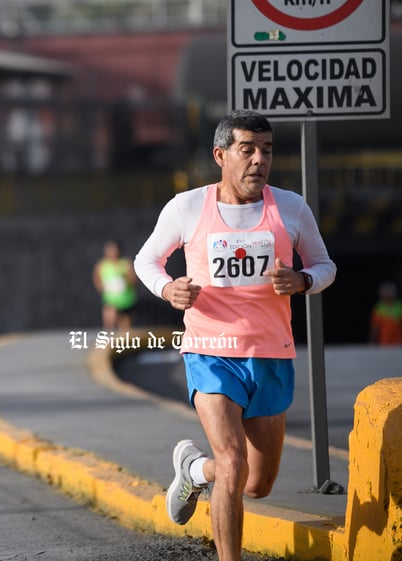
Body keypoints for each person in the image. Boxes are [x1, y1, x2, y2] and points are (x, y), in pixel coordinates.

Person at [133, 110, 336, 561]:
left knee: (256, 484)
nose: (258, 161)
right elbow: (145, 261)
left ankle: (192, 469)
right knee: (232, 461)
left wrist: (302, 281)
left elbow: (326, 266)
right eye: (247, 150)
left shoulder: (290, 207)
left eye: (266, 151)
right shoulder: (187, 207)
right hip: (210, 350)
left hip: (270, 353)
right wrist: (169, 288)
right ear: (221, 155)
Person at [92, 240, 137, 332]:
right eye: (109, 250)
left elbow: (133, 280)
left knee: (125, 327)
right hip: (110, 299)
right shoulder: (101, 265)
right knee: (109, 323)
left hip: (125, 300)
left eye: (114, 249)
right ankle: (109, 341)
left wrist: (125, 280)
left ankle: (126, 344)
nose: (112, 252)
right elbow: (96, 278)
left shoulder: (125, 263)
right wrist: (101, 287)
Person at [369, 281, 402, 345]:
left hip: (398, 342)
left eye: (389, 292)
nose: (387, 295)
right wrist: (371, 342)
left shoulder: (399, 305)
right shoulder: (379, 307)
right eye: (385, 293)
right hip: (384, 342)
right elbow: (375, 327)